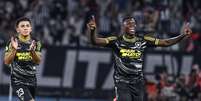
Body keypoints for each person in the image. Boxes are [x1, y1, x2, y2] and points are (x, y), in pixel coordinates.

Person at [87, 16, 192, 101]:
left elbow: (165, 42)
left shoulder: (143, 40)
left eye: (133, 23)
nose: (132, 26)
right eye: (129, 24)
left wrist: (182, 35)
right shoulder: (115, 41)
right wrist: (92, 31)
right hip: (122, 81)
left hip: (138, 82)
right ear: (123, 27)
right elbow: (95, 41)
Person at [4, 17, 42, 101]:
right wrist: (15, 49)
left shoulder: (36, 42)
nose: (25, 28)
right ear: (17, 29)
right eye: (22, 26)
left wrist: (32, 51)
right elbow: (7, 61)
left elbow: (38, 61)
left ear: (31, 28)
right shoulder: (12, 42)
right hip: (18, 81)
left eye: (27, 26)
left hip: (32, 80)